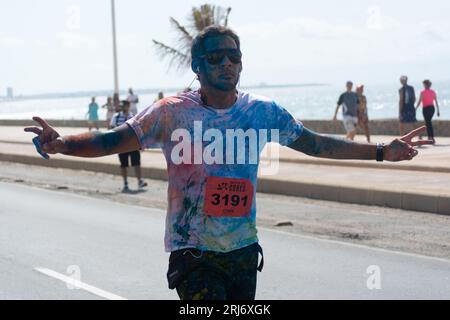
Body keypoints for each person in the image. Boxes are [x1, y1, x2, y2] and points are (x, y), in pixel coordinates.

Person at [25, 25, 432, 301]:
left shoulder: (262, 113)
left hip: (242, 253)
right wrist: (62, 143)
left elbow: (317, 145)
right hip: (194, 254)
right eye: (215, 57)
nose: (226, 64)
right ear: (197, 66)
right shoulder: (171, 114)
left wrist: (381, 151)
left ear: (242, 62)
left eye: (233, 56)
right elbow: (113, 140)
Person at [110, 101, 147, 192]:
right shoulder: (116, 117)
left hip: (132, 145)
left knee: (136, 163)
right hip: (121, 145)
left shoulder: (133, 117)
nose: (123, 107)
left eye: (125, 106)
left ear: (128, 106)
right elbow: (111, 129)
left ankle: (139, 181)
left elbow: (139, 130)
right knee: (124, 165)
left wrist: (141, 144)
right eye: (122, 106)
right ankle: (125, 183)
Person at [416, 79, 440, 144]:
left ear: (426, 84)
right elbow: (420, 101)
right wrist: (437, 110)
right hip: (430, 109)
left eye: (424, 84)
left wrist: (415, 108)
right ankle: (430, 137)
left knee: (428, 122)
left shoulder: (425, 92)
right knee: (428, 122)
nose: (423, 85)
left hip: (428, 109)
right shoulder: (428, 92)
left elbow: (419, 101)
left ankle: (430, 137)